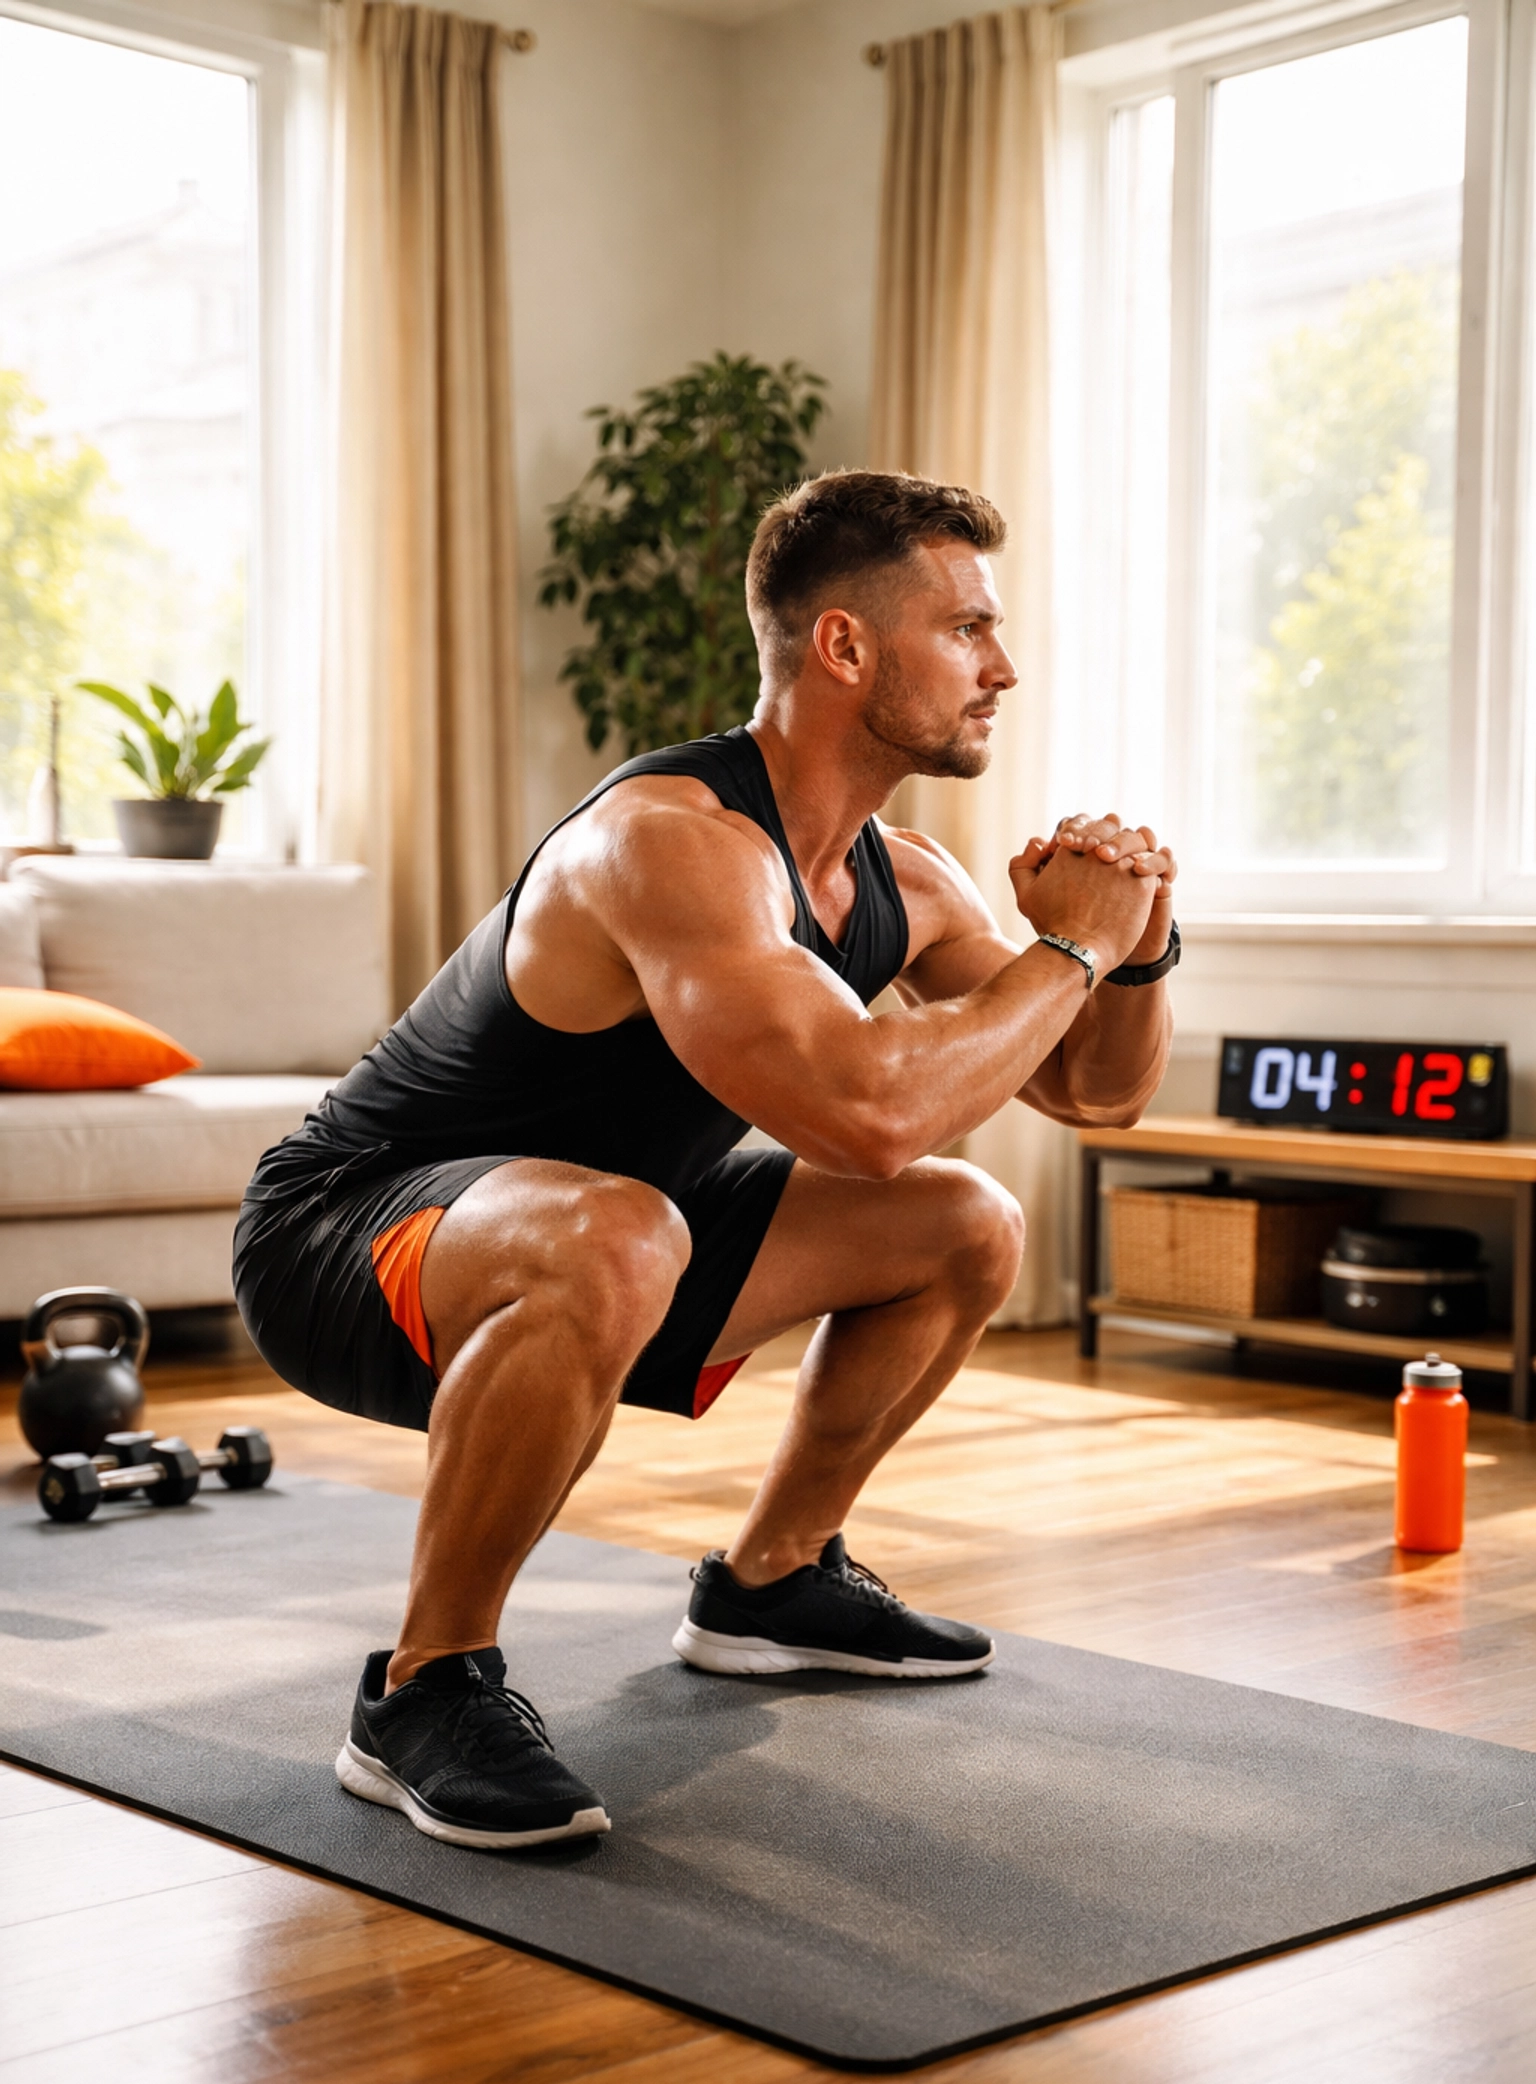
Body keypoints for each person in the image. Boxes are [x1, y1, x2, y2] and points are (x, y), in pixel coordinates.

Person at [235, 469, 1178, 1853]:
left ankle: (772, 1583)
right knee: (624, 1232)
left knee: (961, 1224)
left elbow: (1095, 1094)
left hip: (620, 1231)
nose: (1005, 666)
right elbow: (865, 1114)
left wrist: (1141, 945)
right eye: (967, 629)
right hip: (348, 1238)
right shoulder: (669, 842)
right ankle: (424, 1688)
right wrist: (1075, 948)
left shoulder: (906, 880)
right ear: (847, 647)